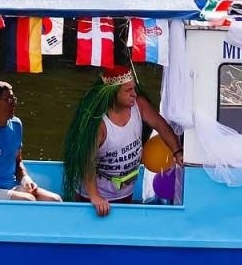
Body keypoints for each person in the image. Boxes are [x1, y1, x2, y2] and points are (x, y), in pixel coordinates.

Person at [62, 63, 183, 216]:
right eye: (128, 90)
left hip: (125, 189)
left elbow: (161, 125)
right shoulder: (99, 125)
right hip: (96, 195)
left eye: (134, 88)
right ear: (113, 94)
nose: (134, 94)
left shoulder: (139, 105)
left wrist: (177, 151)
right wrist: (95, 197)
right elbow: (87, 161)